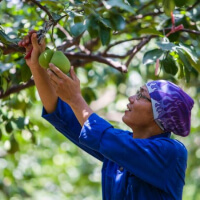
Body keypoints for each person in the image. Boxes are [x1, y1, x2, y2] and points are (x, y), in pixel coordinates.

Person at [18, 32, 194, 200]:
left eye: (141, 96)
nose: (132, 98)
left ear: (159, 114)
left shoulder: (171, 153)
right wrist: (36, 66)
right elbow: (60, 113)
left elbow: (104, 136)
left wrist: (76, 99)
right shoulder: (117, 146)